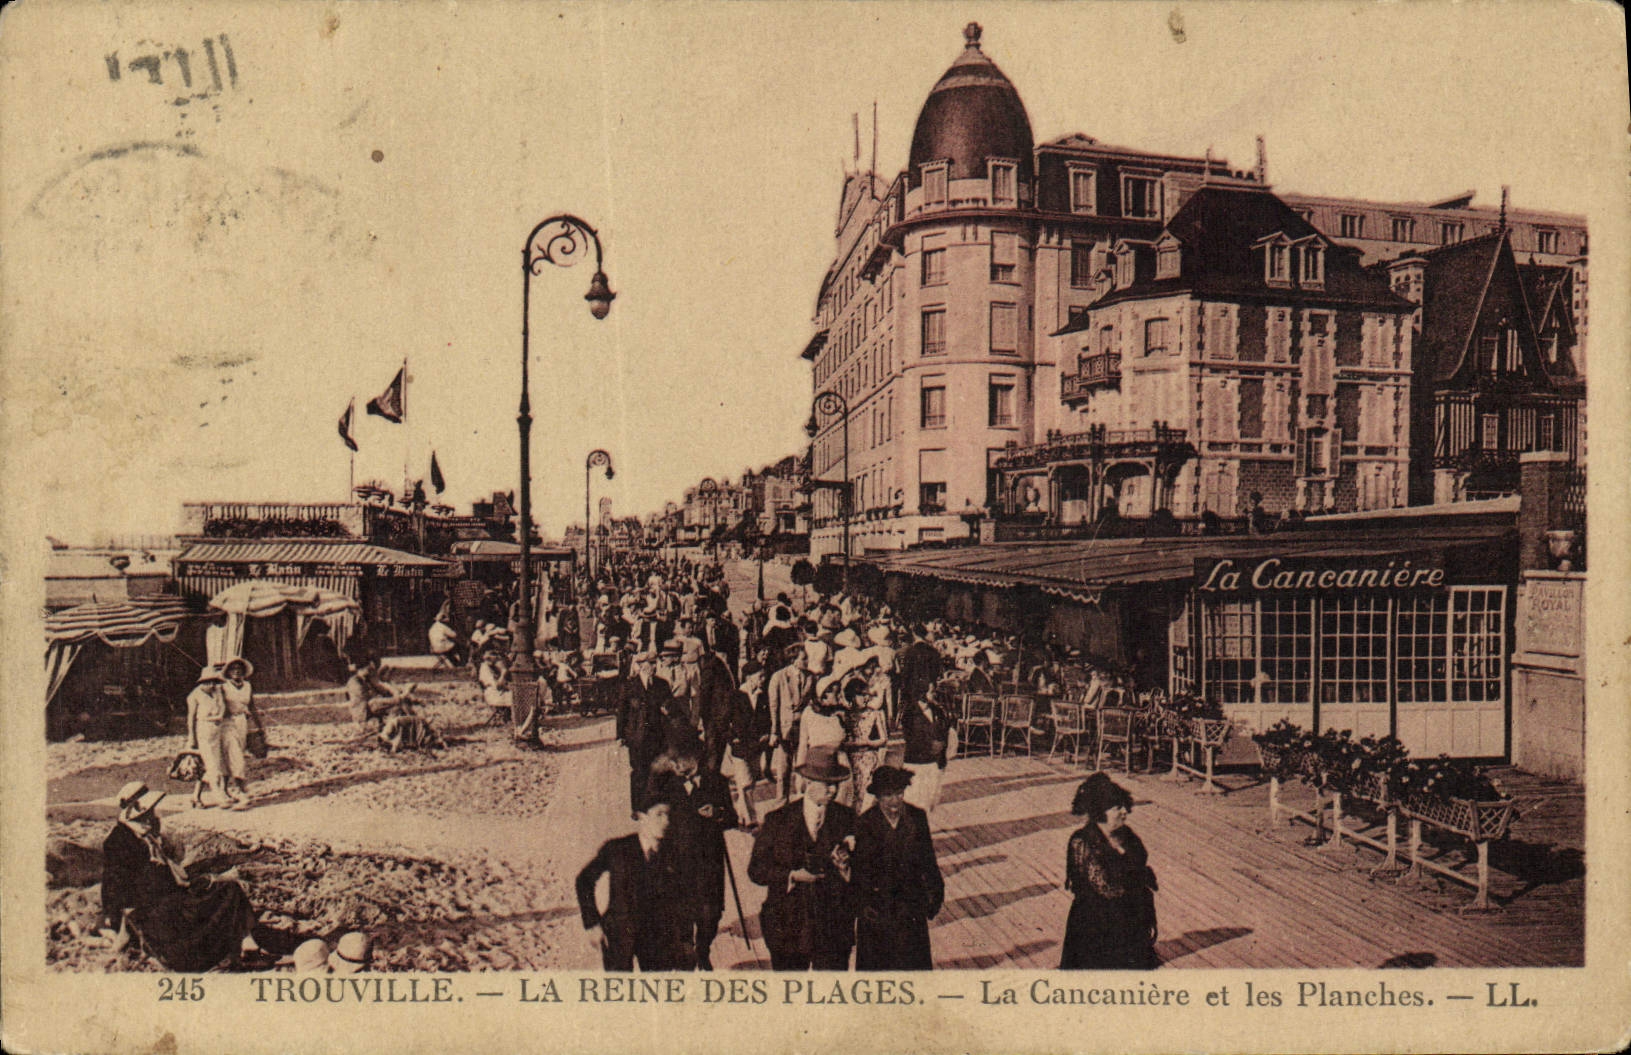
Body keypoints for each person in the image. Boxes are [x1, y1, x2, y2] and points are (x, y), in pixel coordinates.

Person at [100, 782, 262, 972]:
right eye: (149, 812)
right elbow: (118, 889)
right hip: (150, 913)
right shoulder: (119, 842)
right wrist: (120, 923)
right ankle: (243, 945)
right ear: (139, 812)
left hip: (165, 900)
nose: (153, 816)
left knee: (227, 889)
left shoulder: (143, 834)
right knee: (222, 895)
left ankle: (247, 942)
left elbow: (167, 874)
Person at [747, 749, 857, 971]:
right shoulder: (778, 820)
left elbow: (865, 869)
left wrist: (846, 868)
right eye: (826, 784)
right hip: (788, 926)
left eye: (836, 784)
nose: (833, 790)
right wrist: (792, 875)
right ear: (807, 782)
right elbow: (756, 870)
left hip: (832, 929)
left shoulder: (847, 818)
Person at [574, 786, 693, 971]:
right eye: (659, 814)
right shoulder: (617, 849)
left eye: (668, 814)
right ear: (641, 817)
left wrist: (685, 940)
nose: (666, 821)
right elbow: (584, 881)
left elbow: (685, 898)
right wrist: (592, 924)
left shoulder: (675, 853)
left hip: (657, 938)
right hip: (619, 934)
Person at [646, 745, 735, 970]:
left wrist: (717, 813)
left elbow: (732, 818)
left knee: (711, 915)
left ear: (694, 759)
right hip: (678, 861)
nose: (676, 766)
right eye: (673, 762)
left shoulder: (716, 782)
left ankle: (703, 950)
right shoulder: (666, 786)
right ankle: (687, 957)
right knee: (682, 915)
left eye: (680, 761)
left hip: (709, 861)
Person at [1059, 773, 1159, 970]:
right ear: (1100, 812)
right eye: (1117, 808)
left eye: (1124, 806)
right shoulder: (1082, 841)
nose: (1125, 812)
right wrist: (1138, 880)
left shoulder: (1126, 835)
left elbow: (1140, 861)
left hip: (1128, 917)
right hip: (1096, 924)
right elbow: (1106, 887)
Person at [852, 766, 943, 970]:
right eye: (888, 795)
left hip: (910, 907)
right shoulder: (865, 822)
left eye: (899, 793)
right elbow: (859, 872)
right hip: (877, 910)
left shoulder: (916, 818)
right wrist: (864, 906)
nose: (895, 801)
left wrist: (934, 896)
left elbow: (928, 860)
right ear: (877, 797)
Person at [618, 651, 671, 813]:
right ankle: (638, 808)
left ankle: (654, 806)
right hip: (637, 737)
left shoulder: (662, 685)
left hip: (657, 737)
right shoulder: (629, 686)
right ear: (641, 665)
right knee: (639, 772)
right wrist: (621, 735)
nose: (654, 667)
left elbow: (670, 707)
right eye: (651, 663)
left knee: (657, 771)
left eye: (655, 663)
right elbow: (622, 712)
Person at [185, 666, 243, 810]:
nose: (211, 685)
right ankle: (218, 796)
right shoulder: (194, 696)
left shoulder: (218, 691)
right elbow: (191, 718)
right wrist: (192, 738)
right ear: (201, 682)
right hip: (204, 730)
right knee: (211, 765)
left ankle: (198, 796)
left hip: (219, 729)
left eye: (213, 682)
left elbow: (227, 704)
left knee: (220, 763)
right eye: (207, 682)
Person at [217, 658, 265, 807]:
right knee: (234, 755)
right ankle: (240, 789)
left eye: (239, 669)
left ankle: (226, 790)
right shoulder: (223, 687)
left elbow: (252, 706)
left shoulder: (247, 686)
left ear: (243, 671)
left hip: (242, 722)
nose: (236, 671)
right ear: (228, 672)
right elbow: (218, 705)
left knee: (237, 754)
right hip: (227, 723)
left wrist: (260, 726)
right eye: (233, 669)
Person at [901, 691, 955, 818]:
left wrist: (942, 744)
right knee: (915, 799)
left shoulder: (938, 711)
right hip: (917, 763)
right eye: (931, 691)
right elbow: (910, 738)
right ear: (922, 692)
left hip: (935, 762)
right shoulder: (910, 713)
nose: (934, 694)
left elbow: (946, 730)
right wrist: (930, 746)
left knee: (931, 800)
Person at [843, 674, 889, 815]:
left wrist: (869, 743)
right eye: (861, 695)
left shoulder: (873, 714)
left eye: (866, 695)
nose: (865, 698)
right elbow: (842, 741)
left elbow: (883, 739)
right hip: (852, 760)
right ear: (852, 696)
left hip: (869, 758)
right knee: (853, 797)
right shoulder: (845, 715)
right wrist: (854, 743)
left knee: (869, 797)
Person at [346, 658, 411, 732]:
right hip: (365, 709)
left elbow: (383, 691)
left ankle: (393, 728)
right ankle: (400, 699)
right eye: (369, 668)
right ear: (362, 669)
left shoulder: (368, 679)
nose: (372, 671)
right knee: (378, 702)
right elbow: (364, 701)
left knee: (396, 708)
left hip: (374, 705)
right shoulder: (354, 682)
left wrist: (385, 685)